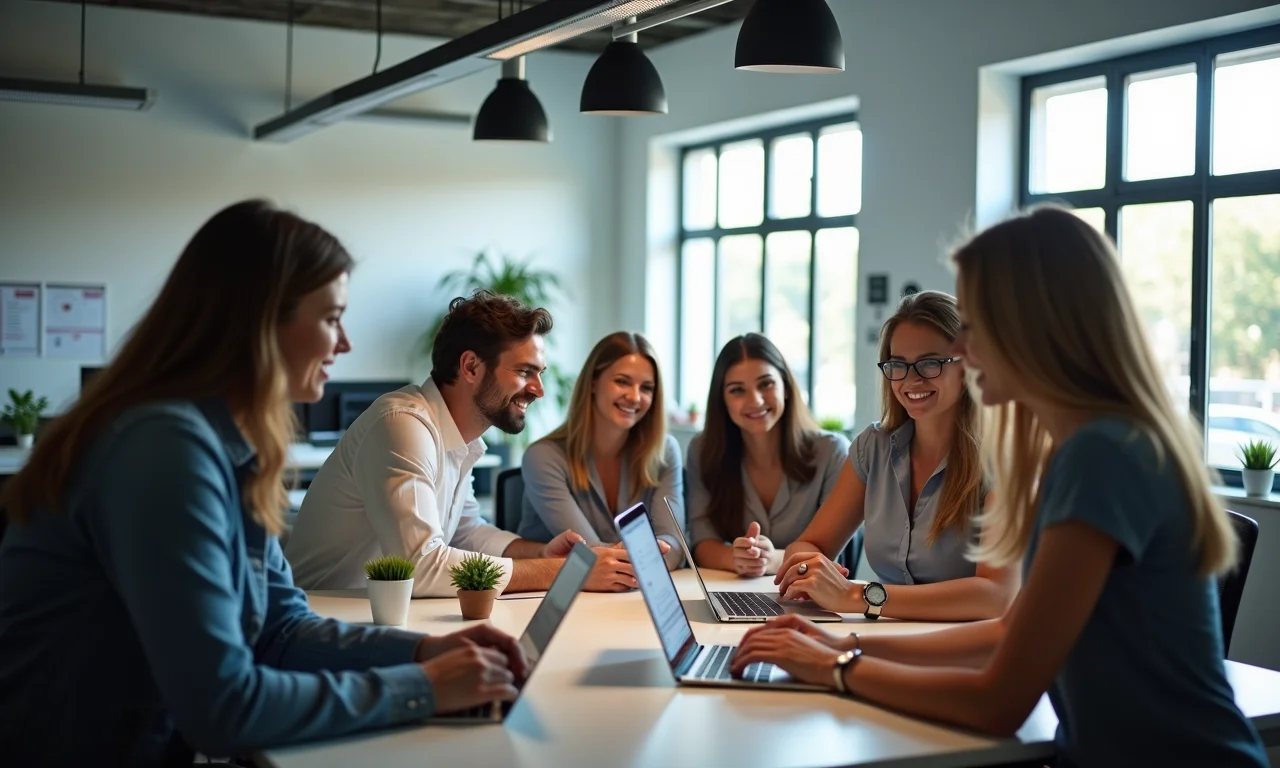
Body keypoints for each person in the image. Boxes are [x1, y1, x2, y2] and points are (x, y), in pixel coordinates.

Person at [731, 206, 1269, 768]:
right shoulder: (1090, 446)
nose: (961, 350)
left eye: (975, 325)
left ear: (1036, 327)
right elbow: (1006, 630)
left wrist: (835, 668)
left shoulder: (1102, 457)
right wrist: (842, 642)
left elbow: (999, 702)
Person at [0, 200, 528, 766]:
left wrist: (426, 649)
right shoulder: (163, 448)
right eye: (331, 318)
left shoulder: (226, 444)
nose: (344, 344)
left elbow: (281, 629)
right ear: (260, 321)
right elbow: (223, 707)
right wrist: (424, 687)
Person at [286, 291, 642, 595]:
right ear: (471, 367)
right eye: (523, 372)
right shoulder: (402, 425)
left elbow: (466, 533)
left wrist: (544, 556)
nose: (538, 389)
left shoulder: (458, 438)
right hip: (323, 619)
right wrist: (569, 574)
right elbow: (422, 566)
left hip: (378, 617)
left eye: (539, 374)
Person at [776, 290, 1019, 621]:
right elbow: (808, 545)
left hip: (966, 652)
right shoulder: (872, 449)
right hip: (885, 636)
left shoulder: (1003, 460)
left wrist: (858, 596)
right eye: (898, 365)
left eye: (930, 363)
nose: (911, 379)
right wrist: (810, 568)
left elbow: (996, 596)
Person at [685, 333, 848, 577]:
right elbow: (701, 541)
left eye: (766, 384)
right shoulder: (703, 450)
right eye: (737, 390)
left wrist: (772, 561)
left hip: (811, 598)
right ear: (722, 401)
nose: (756, 400)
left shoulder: (832, 452)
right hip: (734, 591)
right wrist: (737, 558)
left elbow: (829, 550)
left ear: (786, 387)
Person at [520, 331, 684, 570]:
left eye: (647, 388)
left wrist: (660, 553)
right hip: (557, 595)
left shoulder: (664, 451)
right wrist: (651, 556)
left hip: (630, 592)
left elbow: (674, 544)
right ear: (593, 382)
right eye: (622, 381)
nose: (635, 397)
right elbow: (591, 556)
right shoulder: (543, 457)